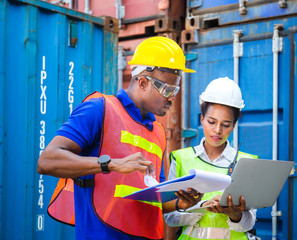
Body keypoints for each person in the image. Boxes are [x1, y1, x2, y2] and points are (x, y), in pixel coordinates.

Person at [37, 36, 202, 240]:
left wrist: (180, 202)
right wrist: (112, 164)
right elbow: (46, 161)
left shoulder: (158, 132)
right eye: (167, 89)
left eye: (175, 90)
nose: (172, 97)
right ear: (142, 82)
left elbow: (153, 198)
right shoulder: (99, 109)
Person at [164, 77, 259, 240]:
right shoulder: (181, 159)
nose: (217, 130)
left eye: (226, 125)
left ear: (234, 125)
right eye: (211, 121)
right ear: (201, 119)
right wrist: (200, 207)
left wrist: (235, 214)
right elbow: (170, 217)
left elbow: (249, 223)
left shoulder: (247, 163)